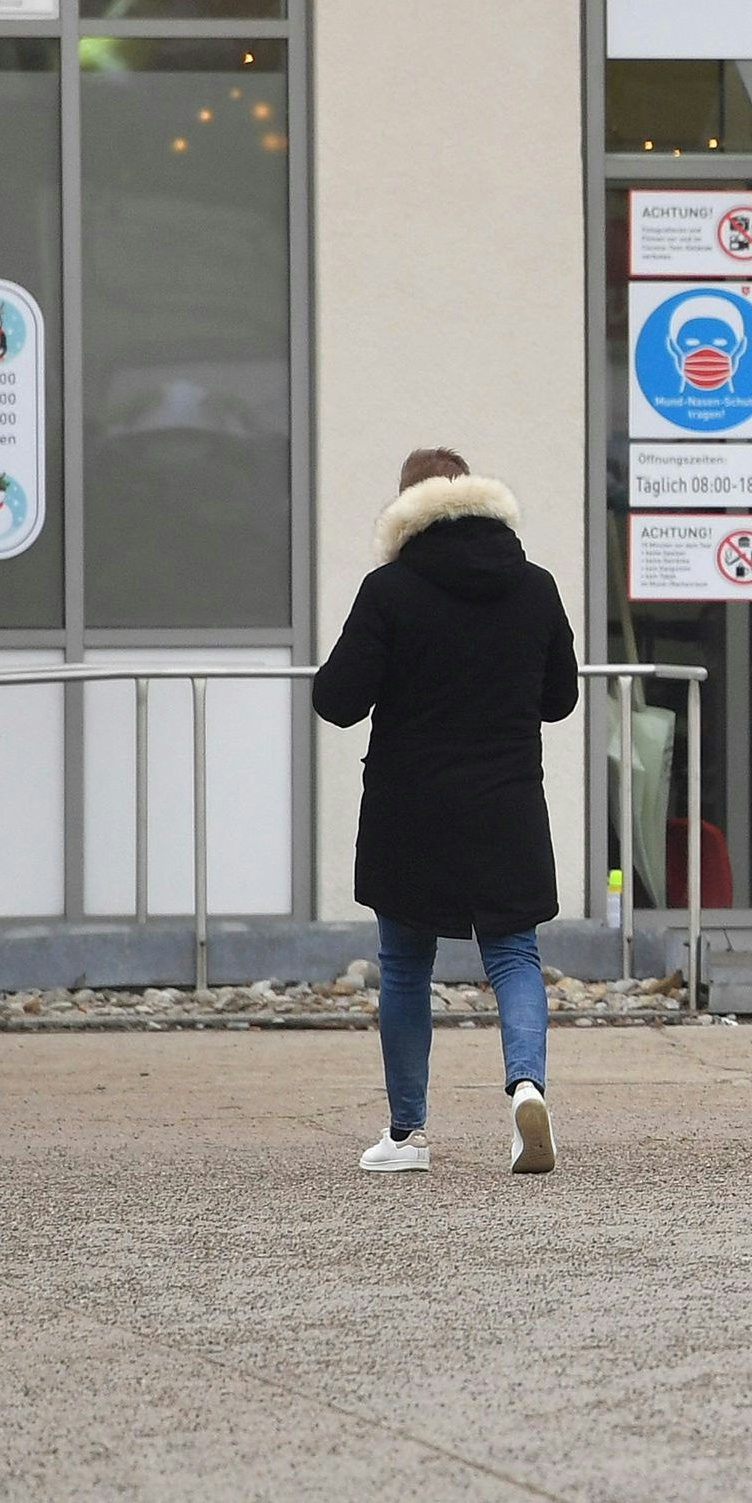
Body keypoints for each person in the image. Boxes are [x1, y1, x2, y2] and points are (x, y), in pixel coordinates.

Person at [314, 449, 581, 1176]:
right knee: (514, 955)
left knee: (404, 965)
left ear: (409, 507)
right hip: (507, 804)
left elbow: (336, 702)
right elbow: (560, 698)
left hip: (411, 808)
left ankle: (406, 1136)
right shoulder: (535, 588)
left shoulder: (390, 590)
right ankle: (526, 1087)